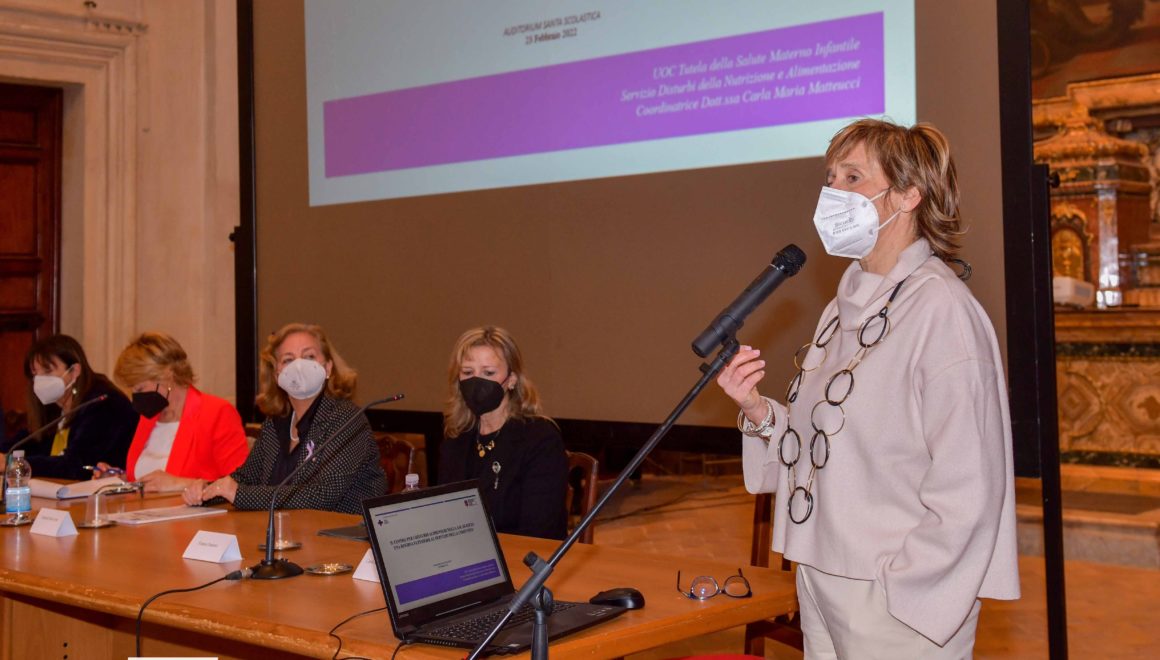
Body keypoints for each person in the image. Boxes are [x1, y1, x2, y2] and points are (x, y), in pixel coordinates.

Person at [715, 119, 1019, 657]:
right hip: (818, 573)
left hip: (893, 595)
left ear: (907, 195)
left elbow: (971, 481)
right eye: (830, 178)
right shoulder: (841, 307)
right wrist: (758, 410)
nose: (833, 193)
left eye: (852, 178)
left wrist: (905, 588)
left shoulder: (942, 311)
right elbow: (826, 442)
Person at [182, 323, 385, 514]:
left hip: (343, 534)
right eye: (288, 360)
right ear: (277, 373)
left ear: (328, 368)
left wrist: (239, 494)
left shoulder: (347, 419)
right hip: (287, 533)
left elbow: (323, 495)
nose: (299, 366)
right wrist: (208, 491)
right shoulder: (276, 423)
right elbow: (245, 479)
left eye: (309, 356)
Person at [437, 326, 567, 540]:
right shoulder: (457, 438)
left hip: (521, 555)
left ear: (512, 379)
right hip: (464, 553)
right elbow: (444, 517)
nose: (476, 381)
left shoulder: (540, 439)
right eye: (468, 372)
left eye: (488, 373)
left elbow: (541, 530)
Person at [97, 332, 249, 493]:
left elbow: (241, 486)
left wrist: (180, 483)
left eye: (140, 388)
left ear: (166, 375)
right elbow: (146, 479)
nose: (135, 397)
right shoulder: (149, 417)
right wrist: (119, 480)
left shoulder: (217, 413)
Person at [13, 335, 137, 480]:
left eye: (47, 371)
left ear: (74, 371)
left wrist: (17, 465)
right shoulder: (54, 404)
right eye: (35, 374)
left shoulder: (103, 403)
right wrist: (6, 457)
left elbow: (76, 466)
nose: (39, 380)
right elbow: (27, 442)